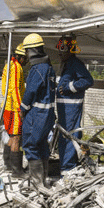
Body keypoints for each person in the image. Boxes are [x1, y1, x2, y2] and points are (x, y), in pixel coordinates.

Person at [19, 33, 56, 186]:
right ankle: (43, 179)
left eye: (27, 51)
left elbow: (31, 91)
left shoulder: (38, 69)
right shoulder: (49, 68)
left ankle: (36, 183)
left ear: (33, 51)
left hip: (37, 114)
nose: (26, 55)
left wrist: (23, 108)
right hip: (48, 114)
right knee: (41, 144)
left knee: (30, 144)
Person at [55, 35, 94, 171]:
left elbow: (88, 81)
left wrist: (68, 88)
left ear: (70, 50)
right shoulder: (66, 65)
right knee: (66, 136)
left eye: (62, 49)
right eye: (59, 48)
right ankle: (66, 166)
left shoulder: (75, 64)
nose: (59, 52)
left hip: (71, 107)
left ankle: (67, 169)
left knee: (69, 135)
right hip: (65, 108)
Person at [1, 43, 27, 175]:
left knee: (11, 136)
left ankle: (8, 164)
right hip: (13, 108)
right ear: (21, 57)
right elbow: (15, 89)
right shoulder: (16, 67)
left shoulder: (8, 65)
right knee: (16, 137)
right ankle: (17, 170)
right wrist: (20, 108)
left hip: (7, 107)